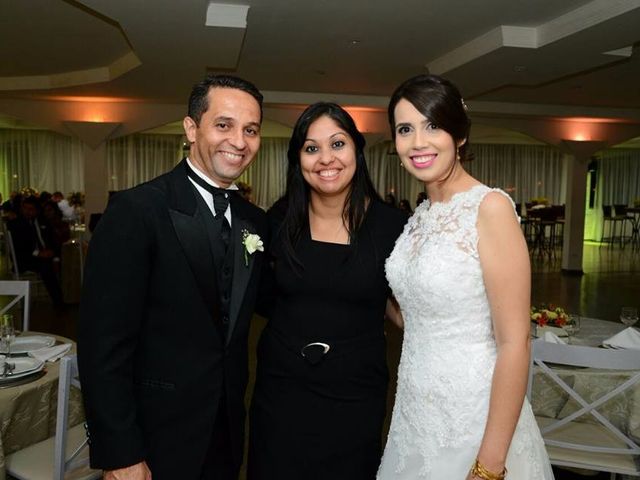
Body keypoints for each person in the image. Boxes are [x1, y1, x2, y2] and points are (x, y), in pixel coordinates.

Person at [78, 74, 268, 480]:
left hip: (228, 431)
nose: (239, 141)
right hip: (154, 438)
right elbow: (102, 345)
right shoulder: (137, 210)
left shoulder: (256, 222)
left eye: (250, 130)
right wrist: (120, 452)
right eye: (224, 125)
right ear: (191, 128)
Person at [377, 75, 554, 479]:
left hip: (474, 416)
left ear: (458, 135)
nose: (418, 142)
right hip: (415, 413)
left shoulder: (489, 208)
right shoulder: (420, 216)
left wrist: (489, 466)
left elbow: (515, 342)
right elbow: (415, 315)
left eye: (433, 125)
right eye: (406, 129)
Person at [248, 102, 406, 479]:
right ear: (298, 159)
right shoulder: (278, 220)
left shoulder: (393, 226)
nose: (325, 159)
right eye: (311, 148)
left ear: (356, 150)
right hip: (281, 388)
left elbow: (402, 307)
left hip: (355, 392)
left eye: (337, 144)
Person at [7, 195, 64, 305]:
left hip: (44, 256)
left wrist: (54, 256)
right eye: (25, 208)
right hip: (25, 258)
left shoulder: (43, 222)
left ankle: (69, 296)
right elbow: (20, 247)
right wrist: (39, 254)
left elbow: (52, 241)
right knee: (46, 266)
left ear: (37, 210)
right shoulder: (16, 224)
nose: (27, 212)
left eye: (31, 209)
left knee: (62, 262)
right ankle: (58, 302)